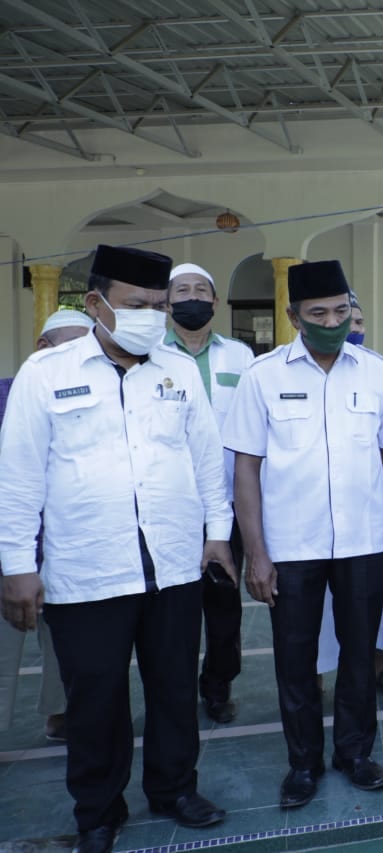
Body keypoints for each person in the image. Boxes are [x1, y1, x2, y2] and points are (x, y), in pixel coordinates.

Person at [0, 245, 233, 852]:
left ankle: (175, 787)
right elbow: (18, 478)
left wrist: (216, 536)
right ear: (97, 304)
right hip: (88, 569)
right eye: (138, 305)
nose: (153, 317)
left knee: (175, 685)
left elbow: (207, 460)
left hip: (174, 565)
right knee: (96, 698)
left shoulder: (176, 371)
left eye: (159, 306)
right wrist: (17, 566)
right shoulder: (45, 374)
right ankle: (99, 810)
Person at [222, 260, 383, 809]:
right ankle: (303, 763)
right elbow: (246, 468)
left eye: (340, 311)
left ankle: (354, 753)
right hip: (291, 545)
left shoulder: (376, 372)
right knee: (295, 658)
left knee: (360, 654)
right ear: (293, 316)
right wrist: (256, 550)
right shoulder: (264, 376)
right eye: (318, 313)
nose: (332, 321)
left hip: (364, 541)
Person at [161, 262, 255, 725]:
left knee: (223, 606)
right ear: (167, 301)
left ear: (216, 302)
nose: (192, 297)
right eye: (183, 290)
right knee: (173, 608)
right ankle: (174, 691)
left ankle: (218, 686)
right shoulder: (151, 355)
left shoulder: (241, 357)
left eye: (202, 290)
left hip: (230, 503)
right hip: (170, 505)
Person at [315, 295, 383, 702]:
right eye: (341, 317)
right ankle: (317, 676)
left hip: (373, 513)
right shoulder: (280, 371)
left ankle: (380, 666)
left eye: (356, 320)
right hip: (312, 517)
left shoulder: (379, 370)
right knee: (317, 608)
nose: (349, 327)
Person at [0, 309, 93, 745]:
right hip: (10, 554)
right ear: (42, 347)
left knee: (65, 650)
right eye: (71, 345)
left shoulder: (88, 396)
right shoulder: (6, 396)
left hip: (64, 551)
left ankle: (61, 715)